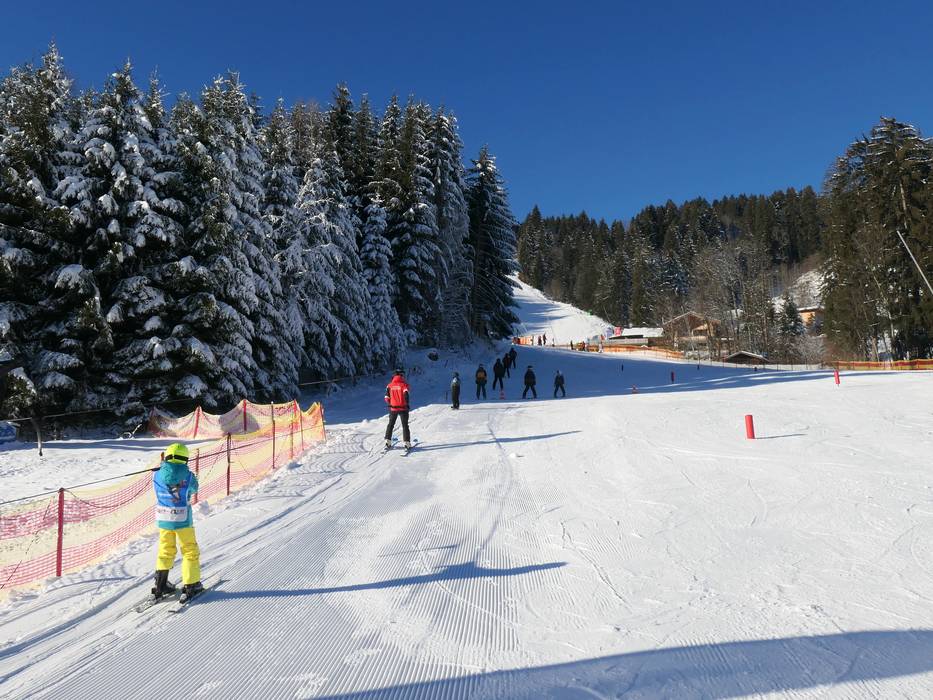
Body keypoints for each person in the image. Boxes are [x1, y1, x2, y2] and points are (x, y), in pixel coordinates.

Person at [152, 442, 203, 600]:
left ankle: (160, 586)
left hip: (163, 519)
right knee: (189, 550)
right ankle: (191, 584)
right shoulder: (189, 476)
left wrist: (162, 468)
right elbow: (194, 489)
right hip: (183, 521)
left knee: (165, 550)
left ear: (167, 456)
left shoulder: (156, 475)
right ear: (185, 459)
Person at [384, 368, 411, 449]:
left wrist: (390, 404)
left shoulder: (389, 385)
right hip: (403, 408)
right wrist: (407, 404)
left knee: (391, 424)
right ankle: (407, 443)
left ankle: (387, 441)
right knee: (405, 425)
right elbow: (406, 395)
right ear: (401, 376)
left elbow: (386, 398)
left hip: (393, 408)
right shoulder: (404, 385)